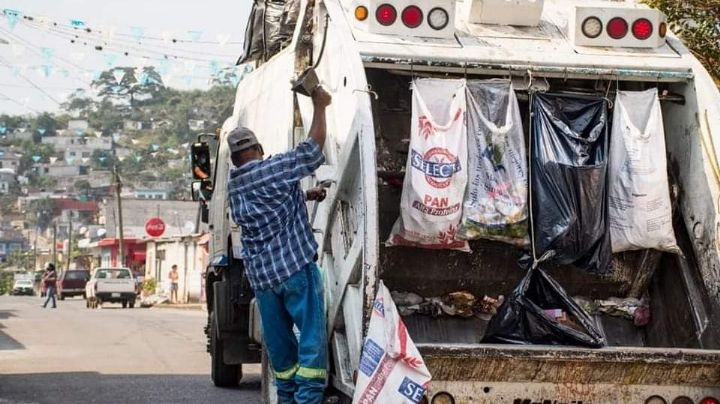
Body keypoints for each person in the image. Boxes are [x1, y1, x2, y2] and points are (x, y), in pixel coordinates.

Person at [227, 86, 332, 404]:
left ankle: (286, 398)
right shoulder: (271, 169)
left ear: (233, 159)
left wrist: (305, 195)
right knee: (312, 342)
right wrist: (320, 105)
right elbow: (311, 151)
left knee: (282, 355)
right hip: (295, 271)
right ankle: (309, 399)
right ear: (259, 148)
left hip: (263, 281)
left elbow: (267, 205)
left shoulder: (236, 186)